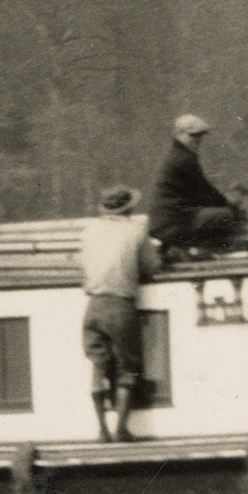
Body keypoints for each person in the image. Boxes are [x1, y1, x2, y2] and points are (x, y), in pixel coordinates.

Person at [78, 185, 163, 442]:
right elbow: (152, 266)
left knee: (98, 365)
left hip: (93, 305)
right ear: (130, 208)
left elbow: (83, 265)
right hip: (121, 306)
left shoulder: (89, 231)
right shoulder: (136, 231)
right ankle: (122, 429)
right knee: (127, 368)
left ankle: (101, 430)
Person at [147, 114, 248, 257]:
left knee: (218, 213)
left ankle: (197, 250)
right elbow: (204, 193)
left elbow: (199, 193)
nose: (198, 140)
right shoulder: (184, 159)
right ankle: (209, 251)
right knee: (227, 214)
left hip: (163, 223)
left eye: (200, 135)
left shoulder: (176, 155)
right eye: (193, 135)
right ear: (179, 134)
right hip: (174, 223)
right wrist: (230, 203)